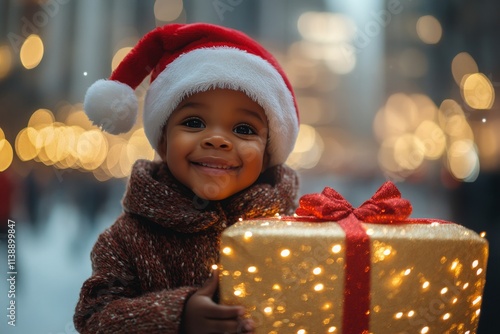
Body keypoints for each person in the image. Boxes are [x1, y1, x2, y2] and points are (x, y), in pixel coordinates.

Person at [74, 23, 300, 333]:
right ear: (163, 142)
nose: (218, 140)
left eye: (244, 129)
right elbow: (94, 319)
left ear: (268, 152)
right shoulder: (127, 239)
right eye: (194, 122)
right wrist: (176, 316)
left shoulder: (294, 232)